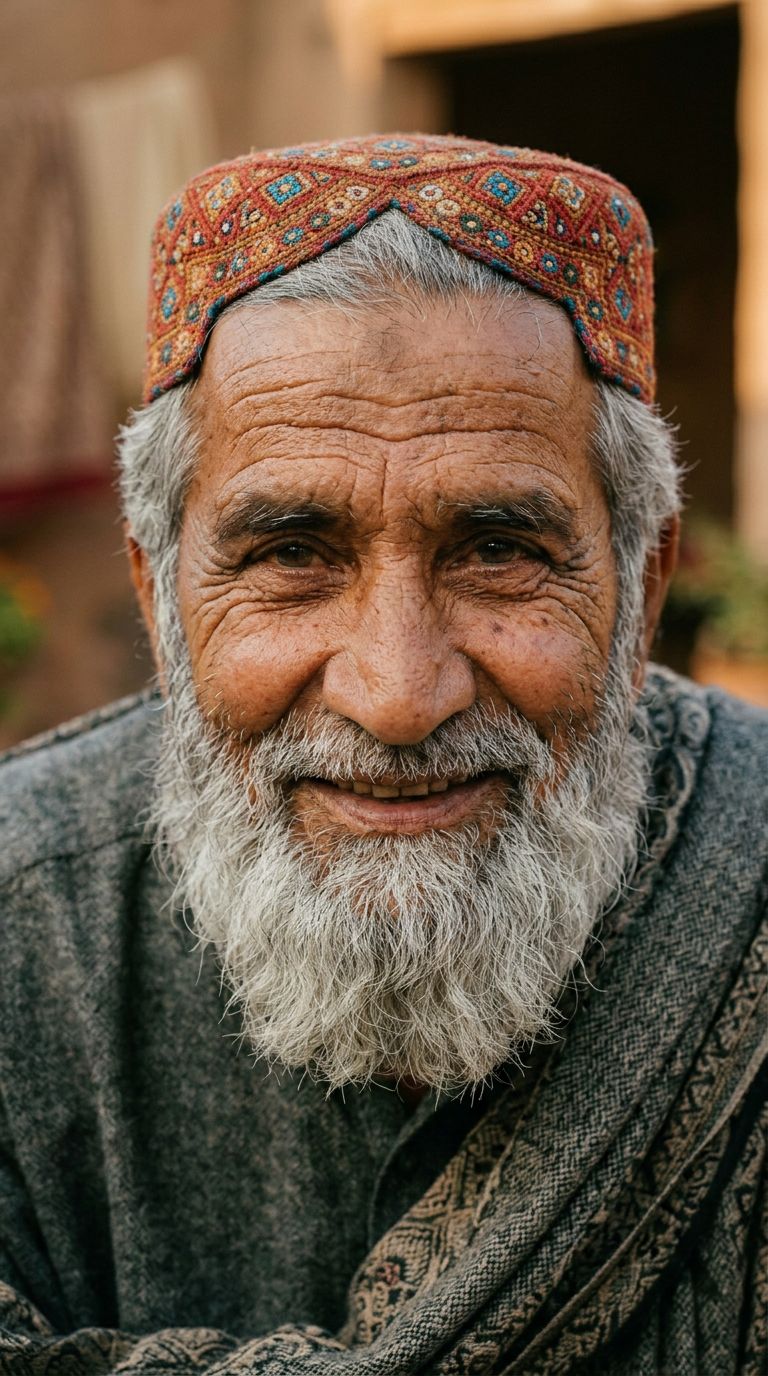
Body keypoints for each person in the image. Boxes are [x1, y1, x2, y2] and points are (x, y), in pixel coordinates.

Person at [0, 134, 765, 1376]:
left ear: (642, 586)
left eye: (500, 549)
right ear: (159, 601)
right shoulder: (21, 925)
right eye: (293, 553)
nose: (400, 693)